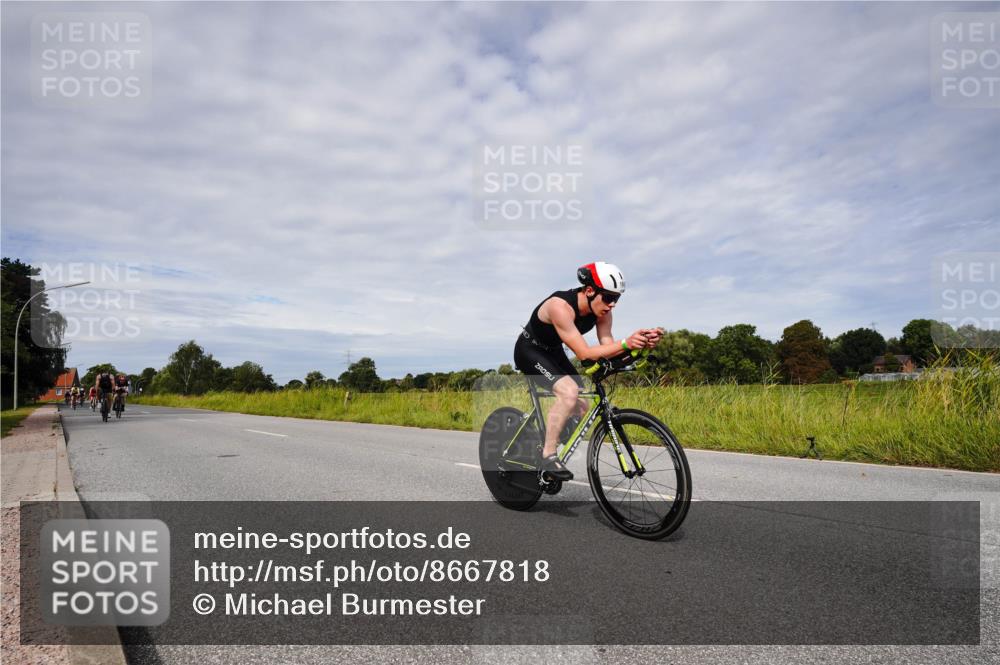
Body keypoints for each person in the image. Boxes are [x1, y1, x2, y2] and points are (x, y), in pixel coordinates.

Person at [514, 262, 663, 481]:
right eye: (608, 297)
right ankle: (547, 455)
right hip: (529, 350)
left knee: (582, 405)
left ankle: (549, 439)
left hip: (554, 352)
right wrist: (626, 343)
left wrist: (639, 346)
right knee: (569, 392)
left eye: (617, 299)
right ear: (590, 290)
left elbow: (607, 349)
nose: (612, 305)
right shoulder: (559, 306)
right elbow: (584, 353)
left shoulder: (602, 312)